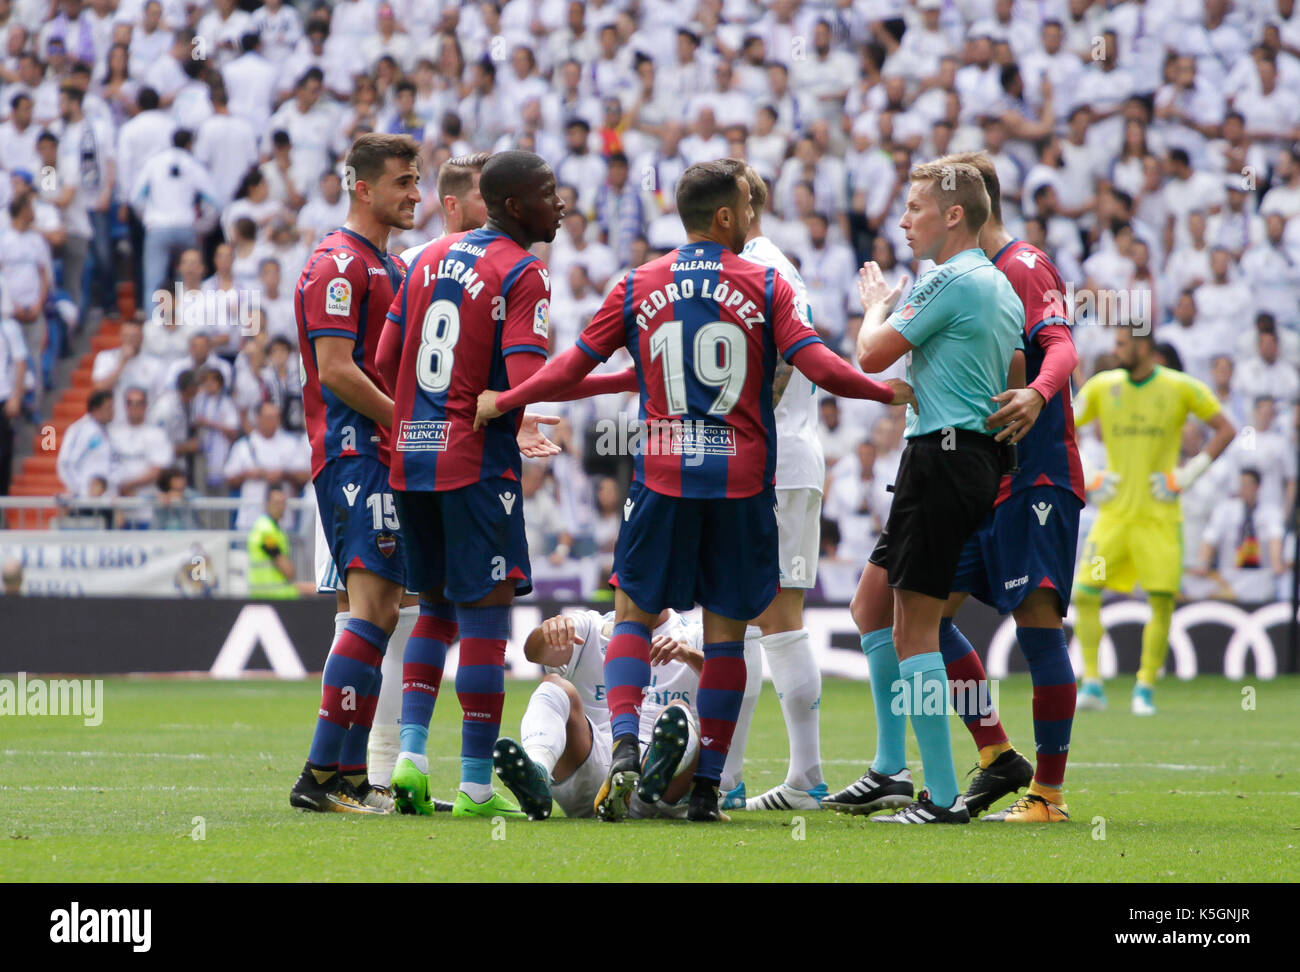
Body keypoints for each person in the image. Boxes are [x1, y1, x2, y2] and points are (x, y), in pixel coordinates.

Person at [475, 159, 911, 822]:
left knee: (632, 614)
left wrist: (508, 397)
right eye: (747, 205)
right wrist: (883, 391)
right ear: (727, 216)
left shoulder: (637, 284)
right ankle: (706, 788)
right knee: (729, 635)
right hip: (741, 485)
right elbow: (816, 362)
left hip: (664, 480)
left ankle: (624, 748)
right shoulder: (765, 282)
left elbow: (573, 366)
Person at [377, 150, 634, 819]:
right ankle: (475, 788)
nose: (563, 202)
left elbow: (380, 360)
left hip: (411, 460)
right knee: (485, 620)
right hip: (474, 466)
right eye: (549, 193)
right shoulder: (522, 271)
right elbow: (527, 382)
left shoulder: (425, 259)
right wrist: (618, 378)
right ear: (515, 205)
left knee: (432, 611)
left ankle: (408, 759)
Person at [832, 150, 1086, 823]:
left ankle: (1043, 794)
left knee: (1027, 623)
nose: (905, 220)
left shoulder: (1017, 268)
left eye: (915, 207)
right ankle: (989, 754)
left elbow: (1059, 345)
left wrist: (1034, 394)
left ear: (959, 211)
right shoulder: (984, 281)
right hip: (983, 467)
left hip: (1029, 470)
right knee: (894, 611)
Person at [288, 132, 421, 816]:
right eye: (403, 181)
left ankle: (345, 775)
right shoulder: (337, 264)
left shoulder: (387, 268)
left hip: (381, 452)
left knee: (384, 611)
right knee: (370, 612)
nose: (416, 194)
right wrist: (402, 423)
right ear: (362, 187)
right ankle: (318, 773)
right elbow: (336, 369)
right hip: (353, 451)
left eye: (418, 181)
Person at [722, 165, 830, 812]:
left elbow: (787, 359)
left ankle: (805, 778)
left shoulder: (765, 269)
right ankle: (734, 777)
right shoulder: (771, 264)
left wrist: (746, 418)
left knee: (777, 621)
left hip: (777, 462)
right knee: (746, 623)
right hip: (788, 459)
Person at [1073, 326, 1236, 716]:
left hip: (1159, 518)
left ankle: (1144, 687)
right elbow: (1061, 428)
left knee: (1161, 599)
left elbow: (1226, 429)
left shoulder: (1180, 388)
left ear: (1143, 347)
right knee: (1084, 591)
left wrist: (1187, 474)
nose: (1115, 351)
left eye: (1122, 344)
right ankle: (1092, 682)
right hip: (1113, 515)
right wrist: (1089, 475)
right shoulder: (1101, 387)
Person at [493, 609, 704, 821]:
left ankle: (653, 772)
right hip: (592, 767)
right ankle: (538, 772)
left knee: (677, 711)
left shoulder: (693, 632)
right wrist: (549, 632)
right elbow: (534, 653)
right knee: (553, 684)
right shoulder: (591, 626)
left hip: (659, 786)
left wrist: (689, 655)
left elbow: (730, 683)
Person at [247, 483, 301, 599]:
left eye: (283, 503)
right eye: (276, 503)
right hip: (270, 594)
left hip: (277, 593)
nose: (280, 507)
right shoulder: (265, 529)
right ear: (267, 504)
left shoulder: (274, 527)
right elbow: (286, 569)